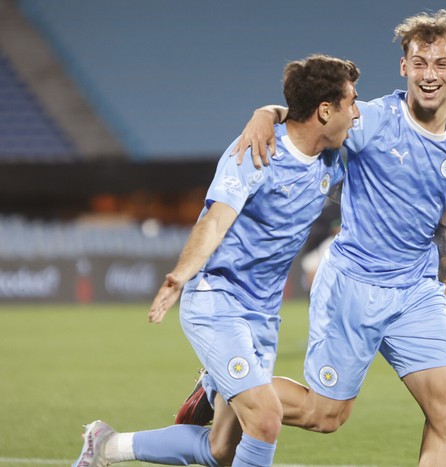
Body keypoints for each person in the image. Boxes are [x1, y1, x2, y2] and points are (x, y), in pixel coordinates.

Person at [180, 8, 446, 466]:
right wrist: (265, 114)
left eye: (441, 64)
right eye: (420, 64)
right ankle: (223, 388)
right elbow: (312, 117)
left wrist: (443, 296)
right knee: (325, 416)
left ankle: (229, 388)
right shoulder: (372, 120)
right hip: (354, 284)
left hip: (416, 292)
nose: (430, 75)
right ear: (404, 67)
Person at [71, 54, 360, 467]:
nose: (357, 111)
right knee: (265, 417)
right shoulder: (255, 152)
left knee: (221, 450)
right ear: (325, 110)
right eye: (351, 101)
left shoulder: (333, 153)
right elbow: (215, 220)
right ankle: (215, 382)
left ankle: (106, 446)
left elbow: (296, 114)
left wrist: (265, 110)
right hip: (217, 300)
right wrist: (178, 277)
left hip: (262, 315)